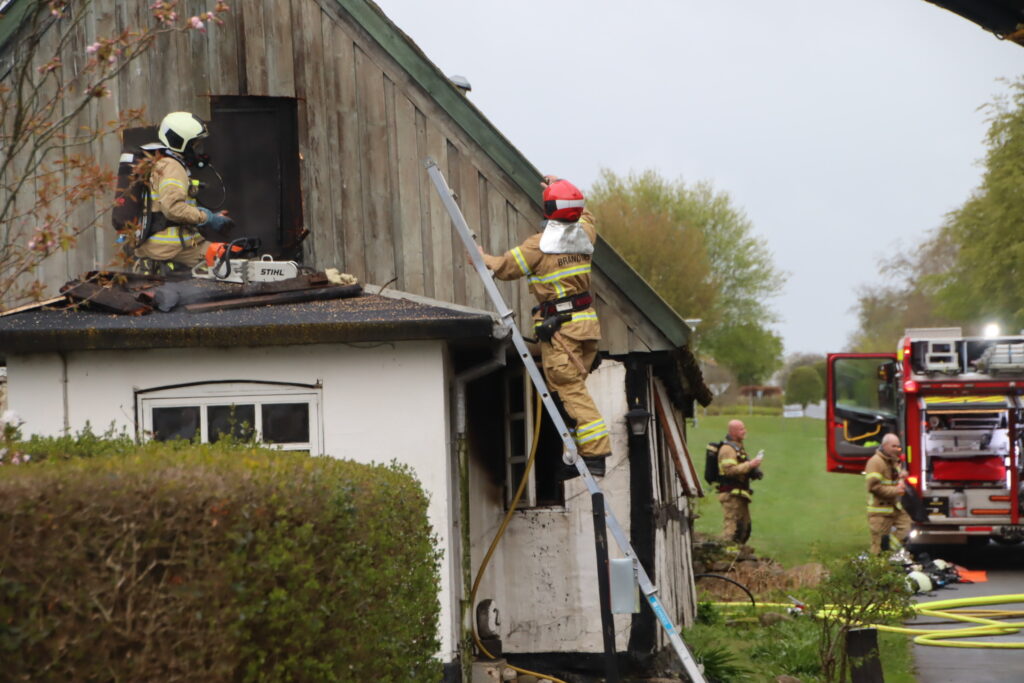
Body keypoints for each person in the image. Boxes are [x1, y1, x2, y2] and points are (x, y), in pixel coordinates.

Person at [475, 175, 610, 480]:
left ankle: (595, 455)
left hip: (562, 332)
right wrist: (561, 185)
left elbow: (504, 268)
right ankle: (575, 455)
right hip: (586, 328)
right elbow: (587, 214)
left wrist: (480, 257)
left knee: (570, 391)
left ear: (548, 209)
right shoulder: (586, 234)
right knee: (567, 394)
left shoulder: (538, 246)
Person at [132, 111, 231, 274]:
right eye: (195, 145)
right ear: (180, 143)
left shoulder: (161, 162)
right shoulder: (172, 167)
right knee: (230, 261)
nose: (199, 150)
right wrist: (208, 218)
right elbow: (173, 209)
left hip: (165, 247)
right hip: (171, 249)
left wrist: (208, 216)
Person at [716, 419, 763, 544]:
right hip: (731, 495)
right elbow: (729, 470)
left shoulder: (738, 447)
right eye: (741, 429)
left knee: (744, 528)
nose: (745, 431)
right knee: (732, 528)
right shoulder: (727, 449)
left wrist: (753, 471)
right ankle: (727, 552)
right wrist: (750, 465)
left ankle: (738, 552)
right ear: (733, 432)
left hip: (740, 494)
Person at [865, 432, 912, 554]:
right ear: (885, 446)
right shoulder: (875, 462)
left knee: (907, 529)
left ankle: (889, 551)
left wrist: (902, 476)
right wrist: (896, 490)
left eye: (898, 447)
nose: (897, 449)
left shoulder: (893, 461)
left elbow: (893, 479)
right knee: (878, 545)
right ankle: (878, 562)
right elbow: (873, 487)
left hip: (894, 508)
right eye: (893, 446)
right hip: (879, 511)